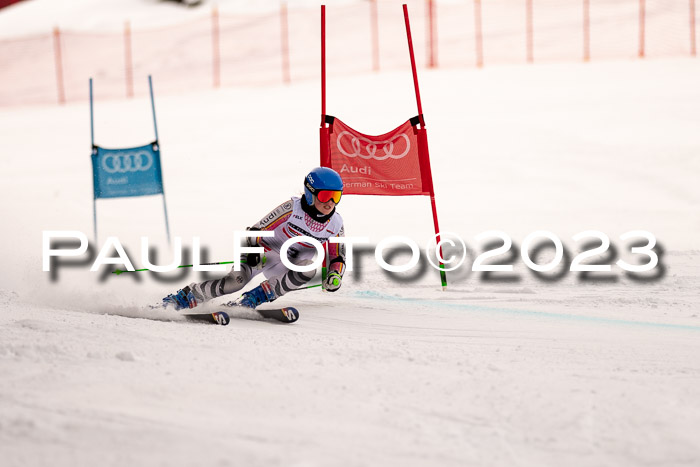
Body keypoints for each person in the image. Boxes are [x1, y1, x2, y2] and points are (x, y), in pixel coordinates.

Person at [162, 167, 346, 310]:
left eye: (336, 196)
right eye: (325, 195)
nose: (330, 202)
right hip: (264, 253)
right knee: (236, 282)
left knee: (308, 269)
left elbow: (338, 256)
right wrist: (253, 253)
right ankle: (184, 297)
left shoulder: (336, 223)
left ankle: (252, 299)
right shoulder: (291, 209)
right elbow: (255, 231)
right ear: (310, 193)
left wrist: (335, 274)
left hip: (287, 264)